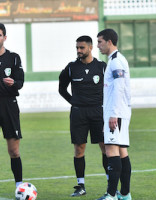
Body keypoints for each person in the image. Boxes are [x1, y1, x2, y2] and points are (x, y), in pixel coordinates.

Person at [58, 35, 108, 197]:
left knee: (105, 148)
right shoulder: (72, 67)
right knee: (79, 149)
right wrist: (74, 102)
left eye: (82, 48)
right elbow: (61, 89)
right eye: (77, 48)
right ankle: (81, 185)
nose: (79, 51)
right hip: (79, 113)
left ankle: (110, 184)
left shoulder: (101, 67)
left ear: (90, 48)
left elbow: (111, 88)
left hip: (98, 112)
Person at [0, 23, 25, 200]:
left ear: (5, 38)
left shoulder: (14, 58)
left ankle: (19, 186)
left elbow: (20, 82)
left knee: (14, 151)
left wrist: (14, 83)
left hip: (9, 105)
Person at [96, 29, 132, 200]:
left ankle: (111, 195)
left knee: (112, 153)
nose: (98, 46)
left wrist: (113, 115)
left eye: (100, 42)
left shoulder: (116, 61)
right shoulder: (117, 60)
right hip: (119, 112)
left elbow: (119, 88)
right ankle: (125, 194)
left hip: (116, 113)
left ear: (109, 42)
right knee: (122, 153)